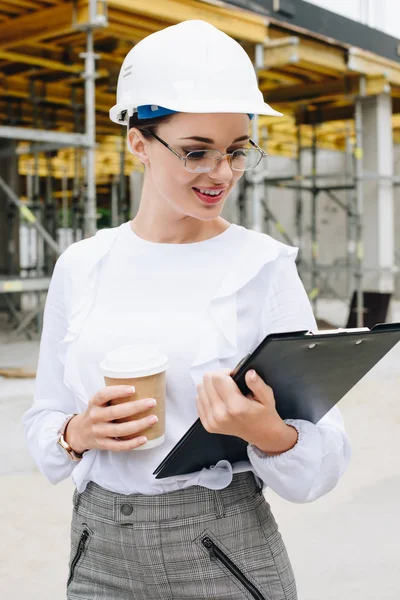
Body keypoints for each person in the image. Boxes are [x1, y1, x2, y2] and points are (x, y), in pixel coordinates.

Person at [22, 20, 351, 600]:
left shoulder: (262, 266)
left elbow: (323, 454)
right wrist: (78, 432)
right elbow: (43, 421)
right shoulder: (82, 264)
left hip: (223, 552)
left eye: (236, 151)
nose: (221, 173)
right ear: (138, 143)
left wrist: (267, 432)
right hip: (97, 553)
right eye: (197, 152)